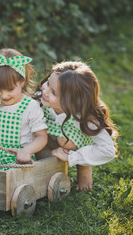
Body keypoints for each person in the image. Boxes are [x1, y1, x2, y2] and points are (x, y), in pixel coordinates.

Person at [34, 61, 118, 191]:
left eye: (54, 93)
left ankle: (84, 166)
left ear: (73, 102)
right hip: (51, 138)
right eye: (48, 83)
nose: (45, 91)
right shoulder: (41, 98)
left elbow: (107, 151)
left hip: (73, 142)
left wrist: (72, 157)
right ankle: (51, 163)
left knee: (65, 140)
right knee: (37, 133)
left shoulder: (86, 117)